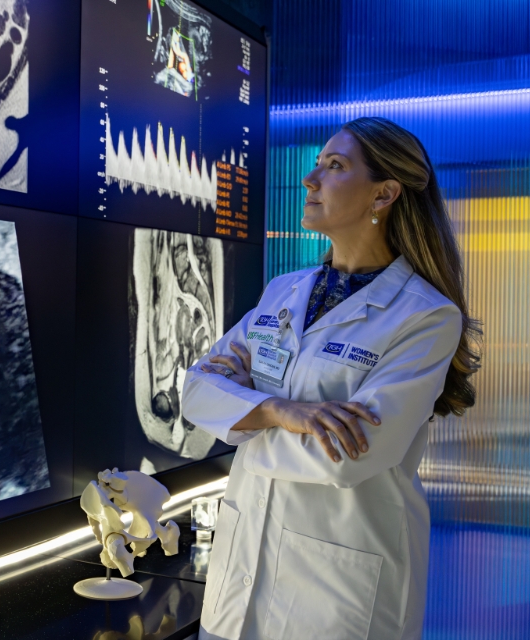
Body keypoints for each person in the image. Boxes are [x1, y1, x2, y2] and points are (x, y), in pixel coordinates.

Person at [183, 117, 481, 640]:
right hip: (239, 574)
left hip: (336, 595)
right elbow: (195, 391)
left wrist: (243, 411)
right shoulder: (283, 292)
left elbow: (349, 455)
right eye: (317, 164)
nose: (310, 179)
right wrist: (280, 411)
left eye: (334, 166)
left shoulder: (425, 316)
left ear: (384, 194)